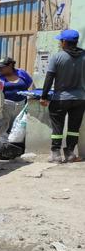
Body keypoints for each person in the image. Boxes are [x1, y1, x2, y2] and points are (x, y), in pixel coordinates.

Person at [40, 29, 85, 163]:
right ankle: (70, 153)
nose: (60, 43)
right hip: (80, 99)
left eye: (61, 41)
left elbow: (49, 77)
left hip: (61, 99)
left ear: (65, 42)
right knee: (74, 128)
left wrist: (44, 96)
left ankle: (56, 154)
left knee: (57, 127)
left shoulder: (58, 57)